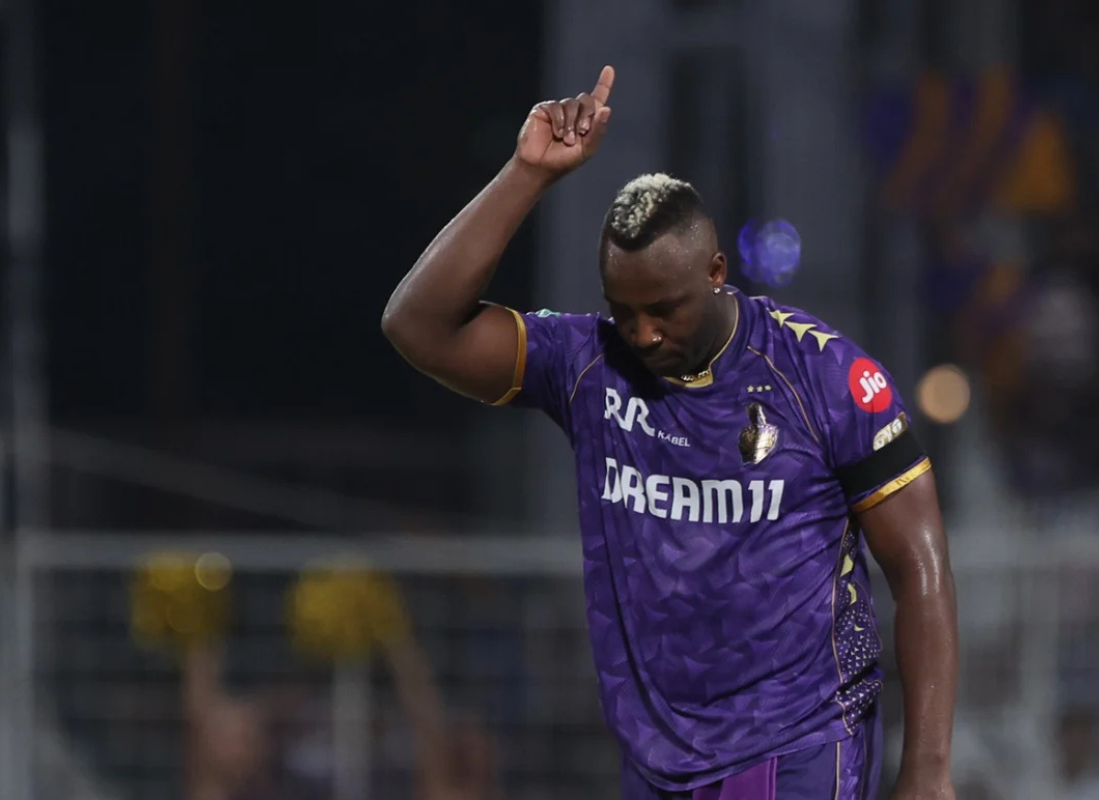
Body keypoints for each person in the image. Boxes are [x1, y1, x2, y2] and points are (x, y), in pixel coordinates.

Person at [382, 65, 958, 800]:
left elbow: (920, 565)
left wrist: (928, 768)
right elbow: (417, 325)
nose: (644, 333)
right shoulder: (587, 366)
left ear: (716, 271)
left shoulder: (823, 377)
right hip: (657, 758)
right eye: (623, 310)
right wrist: (527, 173)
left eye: (664, 310)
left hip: (802, 740)